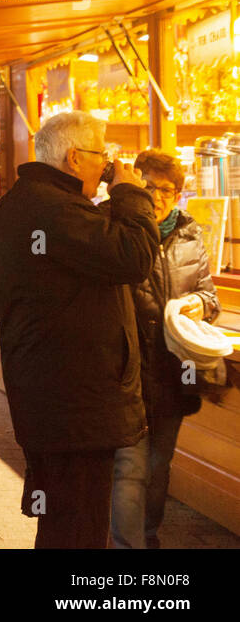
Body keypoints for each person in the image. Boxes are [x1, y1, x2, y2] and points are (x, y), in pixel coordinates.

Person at [0, 110, 157, 549]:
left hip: (53, 396)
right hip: (74, 402)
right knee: (78, 524)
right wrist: (131, 195)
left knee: (62, 518)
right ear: (74, 157)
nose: (107, 167)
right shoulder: (54, 208)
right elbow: (134, 256)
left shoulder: (29, 202)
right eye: (103, 156)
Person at [111, 150, 219, 549]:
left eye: (167, 190)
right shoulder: (115, 228)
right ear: (134, 187)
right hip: (126, 372)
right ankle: (129, 547)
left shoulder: (191, 235)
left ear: (178, 194)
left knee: (158, 468)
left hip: (173, 374)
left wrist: (200, 305)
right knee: (131, 468)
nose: (157, 197)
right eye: (149, 187)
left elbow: (209, 295)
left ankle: (148, 536)